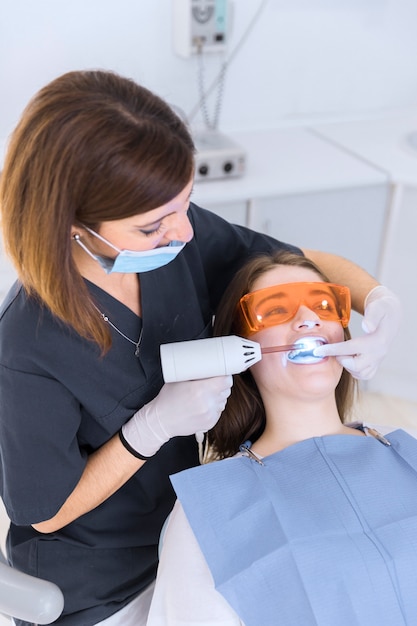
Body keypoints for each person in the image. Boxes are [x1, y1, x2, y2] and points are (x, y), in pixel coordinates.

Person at [0, 70, 400, 626]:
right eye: (154, 225)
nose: (185, 232)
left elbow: (292, 261)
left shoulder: (172, 240)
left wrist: (377, 301)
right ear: (72, 225)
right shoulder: (28, 346)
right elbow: (44, 512)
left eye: (187, 204)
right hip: (102, 586)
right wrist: (147, 432)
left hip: (197, 523)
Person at [147, 250, 417, 626]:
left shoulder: (405, 448)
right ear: (237, 351)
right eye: (275, 311)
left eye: (323, 305)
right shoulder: (209, 508)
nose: (308, 319)